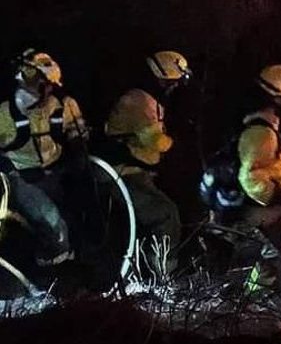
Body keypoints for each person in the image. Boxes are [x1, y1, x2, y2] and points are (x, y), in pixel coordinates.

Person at [0, 49, 89, 266]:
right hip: (19, 178)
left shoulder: (60, 107)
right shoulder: (4, 113)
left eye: (51, 84)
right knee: (53, 224)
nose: (48, 89)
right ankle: (47, 275)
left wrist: (78, 151)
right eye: (44, 82)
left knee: (74, 221)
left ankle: (71, 269)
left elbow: (77, 134)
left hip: (54, 173)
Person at [101, 51, 190, 256]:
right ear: (161, 77)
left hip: (137, 171)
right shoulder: (138, 101)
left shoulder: (147, 99)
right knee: (165, 215)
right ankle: (160, 275)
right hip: (122, 172)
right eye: (172, 82)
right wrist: (179, 148)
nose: (175, 87)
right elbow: (154, 140)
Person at [234, 64, 281, 294]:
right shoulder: (261, 133)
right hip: (260, 211)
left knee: (272, 259)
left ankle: (249, 300)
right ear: (277, 94)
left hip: (264, 210)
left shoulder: (265, 127)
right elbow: (249, 178)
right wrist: (279, 196)